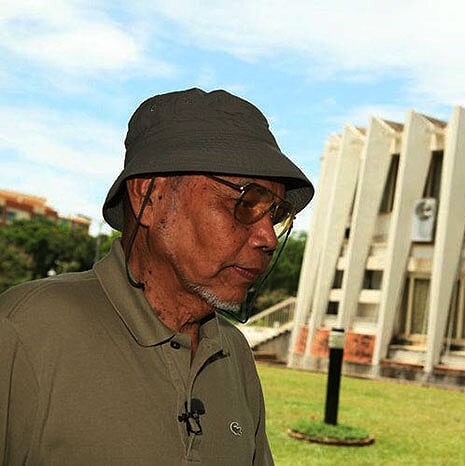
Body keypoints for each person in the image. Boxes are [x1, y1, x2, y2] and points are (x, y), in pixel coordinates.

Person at [0, 88, 313, 465]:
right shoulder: (27, 329)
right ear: (151, 195)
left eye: (275, 215)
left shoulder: (234, 354)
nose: (266, 237)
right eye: (246, 203)